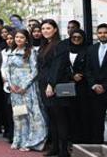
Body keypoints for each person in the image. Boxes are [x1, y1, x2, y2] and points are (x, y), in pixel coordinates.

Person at [3, 29, 46, 151]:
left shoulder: (31, 52)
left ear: (26, 39)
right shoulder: (11, 52)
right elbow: (7, 70)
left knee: (31, 114)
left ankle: (32, 142)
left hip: (27, 89)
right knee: (19, 115)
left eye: (21, 37)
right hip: (14, 90)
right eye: (17, 37)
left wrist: (23, 86)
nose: (18, 39)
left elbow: (35, 70)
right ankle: (19, 140)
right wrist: (10, 85)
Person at [38, 19, 71, 157]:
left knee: (60, 118)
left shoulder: (60, 45)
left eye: (48, 28)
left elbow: (57, 67)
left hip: (55, 86)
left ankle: (64, 150)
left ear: (55, 29)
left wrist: (51, 84)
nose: (45, 31)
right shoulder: (45, 44)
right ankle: (55, 147)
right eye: (43, 29)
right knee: (52, 118)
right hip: (44, 85)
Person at [65, 29, 92, 145]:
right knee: (71, 113)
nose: (76, 39)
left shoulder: (88, 50)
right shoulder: (66, 50)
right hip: (69, 84)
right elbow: (62, 66)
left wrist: (81, 75)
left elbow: (91, 66)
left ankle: (85, 139)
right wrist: (72, 76)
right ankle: (73, 138)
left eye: (79, 37)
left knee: (84, 113)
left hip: (83, 85)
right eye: (74, 37)